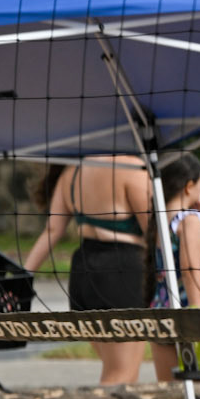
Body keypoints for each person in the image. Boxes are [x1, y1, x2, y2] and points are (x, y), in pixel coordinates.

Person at [25, 155, 152, 385]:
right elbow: (154, 233)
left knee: (117, 371)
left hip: (83, 272)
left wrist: (23, 274)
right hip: (120, 272)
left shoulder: (70, 171)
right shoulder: (131, 167)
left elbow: (52, 230)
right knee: (121, 373)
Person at [145, 153, 200, 382]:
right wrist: (197, 313)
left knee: (171, 395)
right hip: (191, 314)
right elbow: (192, 267)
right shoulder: (190, 220)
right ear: (189, 186)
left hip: (162, 311)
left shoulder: (160, 223)